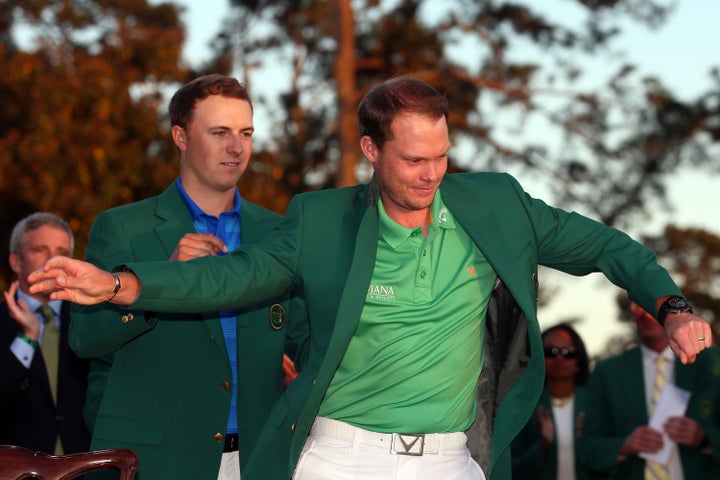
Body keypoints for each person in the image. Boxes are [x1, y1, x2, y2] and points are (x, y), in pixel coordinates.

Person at [28, 75, 713, 480]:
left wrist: (673, 304)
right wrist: (118, 286)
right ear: (370, 150)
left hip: (451, 461)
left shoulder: (495, 205)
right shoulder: (321, 222)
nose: (432, 173)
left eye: (442, 155)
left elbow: (604, 245)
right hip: (340, 458)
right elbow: (231, 280)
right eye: (414, 159)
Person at [67, 74, 307, 480]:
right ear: (180, 136)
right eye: (219, 132)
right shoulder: (123, 227)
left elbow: (307, 339)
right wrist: (163, 279)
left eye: (246, 133)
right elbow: (85, 337)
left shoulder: (279, 233)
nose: (237, 147)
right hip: (157, 461)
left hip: (260, 459)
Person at [577, 302, 720, 479]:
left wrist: (705, 439)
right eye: (638, 307)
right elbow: (588, 449)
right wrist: (624, 445)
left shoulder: (711, 363)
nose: (645, 314)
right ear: (631, 314)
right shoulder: (608, 372)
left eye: (653, 307)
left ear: (676, 313)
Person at [0, 212, 90, 454]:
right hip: (15, 469)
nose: (53, 261)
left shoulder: (91, 319)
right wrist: (28, 337)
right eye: (40, 249)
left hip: (84, 467)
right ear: (15, 261)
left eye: (62, 252)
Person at [511, 323, 600, 480]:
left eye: (567, 353)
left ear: (579, 360)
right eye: (550, 352)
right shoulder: (525, 407)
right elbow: (514, 469)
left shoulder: (596, 403)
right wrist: (542, 445)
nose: (559, 358)